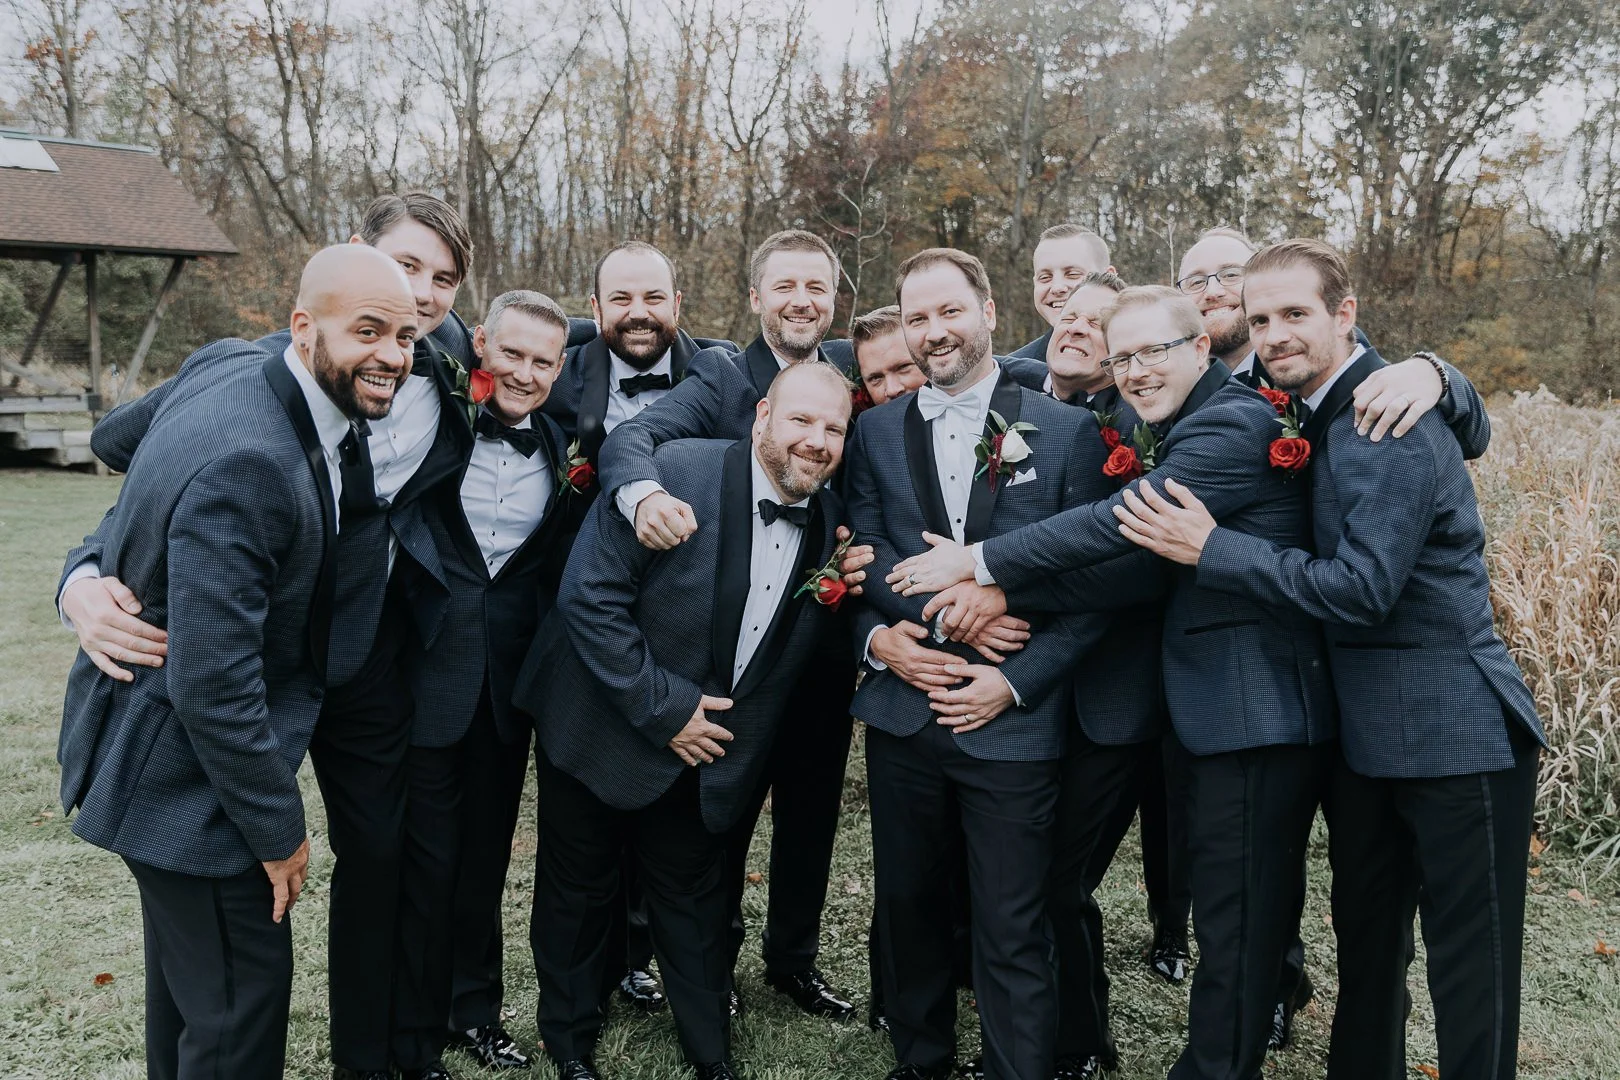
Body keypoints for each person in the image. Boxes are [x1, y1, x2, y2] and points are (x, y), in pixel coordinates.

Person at [59, 191, 484, 1080]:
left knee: (195, 997)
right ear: (305, 320)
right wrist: (85, 574)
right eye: (380, 312)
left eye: (413, 322)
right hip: (192, 757)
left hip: (346, 661)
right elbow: (130, 454)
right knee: (242, 1006)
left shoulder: (420, 368)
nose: (399, 345)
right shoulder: (250, 438)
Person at [1113, 238, 1547, 1080]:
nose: (1274, 334)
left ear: (1345, 315)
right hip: (1364, 743)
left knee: (1471, 971)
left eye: (1296, 315)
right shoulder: (1308, 409)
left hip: (1457, 733)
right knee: (1367, 953)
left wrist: (1213, 550)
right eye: (1262, 317)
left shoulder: (1390, 420)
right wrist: (1442, 370)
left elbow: (1363, 589)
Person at [889, 285, 1337, 1080]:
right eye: (1121, 357)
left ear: (1201, 348)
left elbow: (1121, 529)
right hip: (1166, 698)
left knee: (1231, 915)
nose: (1133, 371)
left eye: (1150, 353)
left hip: (1244, 699)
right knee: (1063, 883)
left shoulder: (1232, 420)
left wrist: (985, 570)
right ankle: (1081, 1044)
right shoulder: (1136, 419)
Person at [517, 361, 852, 1080]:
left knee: (694, 906)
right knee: (579, 891)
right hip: (601, 719)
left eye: (834, 428)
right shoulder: (673, 472)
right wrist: (667, 711)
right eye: (801, 420)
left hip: (708, 751)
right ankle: (571, 1041)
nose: (816, 440)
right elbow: (589, 601)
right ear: (762, 416)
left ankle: (710, 1055)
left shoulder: (828, 524)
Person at [848, 248, 1116, 1080]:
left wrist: (1016, 677)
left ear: (991, 312)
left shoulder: (1069, 433)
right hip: (904, 713)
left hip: (1013, 721)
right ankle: (920, 1061)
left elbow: (1094, 589)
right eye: (918, 317)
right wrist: (946, 613)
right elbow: (868, 552)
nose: (934, 332)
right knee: (909, 904)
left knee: (1012, 920)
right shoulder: (874, 431)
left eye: (949, 312)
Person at [599, 229, 867, 1021]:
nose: (801, 301)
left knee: (812, 812)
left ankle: (793, 960)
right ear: (755, 298)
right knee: (713, 813)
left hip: (814, 644)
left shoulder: (854, 382)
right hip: (725, 652)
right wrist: (643, 495)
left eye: (816, 287)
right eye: (784, 286)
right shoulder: (718, 378)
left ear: (832, 300)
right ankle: (695, 960)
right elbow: (634, 436)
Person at [535, 239, 738, 1016]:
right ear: (596, 310)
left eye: (653, 298)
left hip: (680, 631)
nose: (639, 313)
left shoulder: (714, 376)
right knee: (580, 824)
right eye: (621, 299)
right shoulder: (554, 371)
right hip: (569, 626)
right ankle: (582, 984)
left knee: (665, 815)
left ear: (678, 305)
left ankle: (649, 957)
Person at [392, 291, 585, 1076]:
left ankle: (475, 1013)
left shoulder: (563, 446)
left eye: (543, 361)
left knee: (484, 863)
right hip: (423, 676)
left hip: (509, 693)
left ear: (560, 369)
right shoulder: (429, 421)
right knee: (423, 863)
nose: (525, 373)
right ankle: (410, 1034)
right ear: (480, 344)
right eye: (513, 354)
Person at [1008, 225, 1114, 360]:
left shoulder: (1144, 355)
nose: (1057, 287)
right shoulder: (1012, 373)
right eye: (1045, 277)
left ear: (1109, 277)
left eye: (1073, 274)